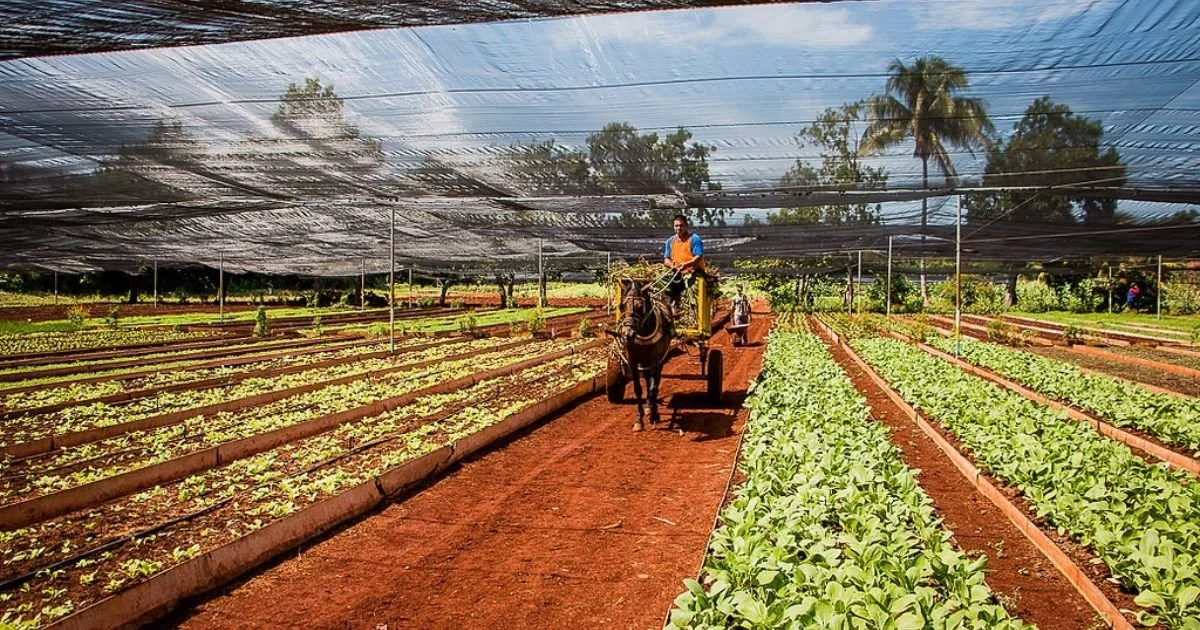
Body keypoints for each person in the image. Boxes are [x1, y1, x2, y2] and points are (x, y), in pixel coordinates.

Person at [663, 214, 704, 314]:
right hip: (676, 272)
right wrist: (671, 265)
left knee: (692, 287)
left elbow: (698, 257)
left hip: (693, 271)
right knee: (661, 282)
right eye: (676, 226)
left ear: (686, 226)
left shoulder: (694, 239)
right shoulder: (670, 241)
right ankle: (667, 308)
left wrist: (685, 265)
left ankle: (694, 311)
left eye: (681, 226)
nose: (678, 228)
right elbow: (666, 259)